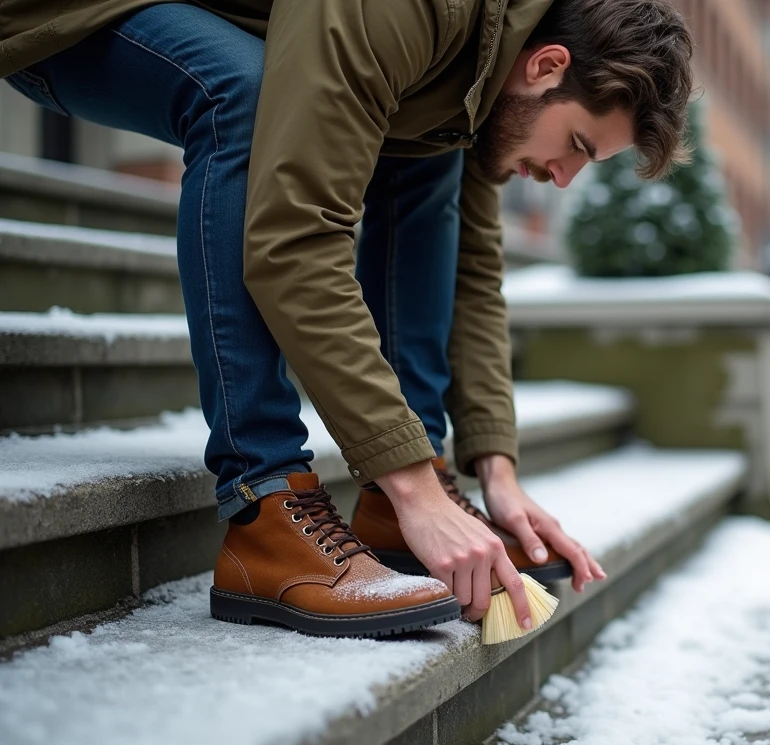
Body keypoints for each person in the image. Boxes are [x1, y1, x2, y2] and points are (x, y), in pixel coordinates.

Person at [2, 0, 694, 637]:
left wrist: (497, 470)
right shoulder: (410, 10)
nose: (564, 176)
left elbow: (473, 272)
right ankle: (264, 502)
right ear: (547, 66)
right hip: (74, 8)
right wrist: (415, 483)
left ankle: (393, 509)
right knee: (240, 95)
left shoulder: (485, 65)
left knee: (426, 154)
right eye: (576, 144)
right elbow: (295, 236)